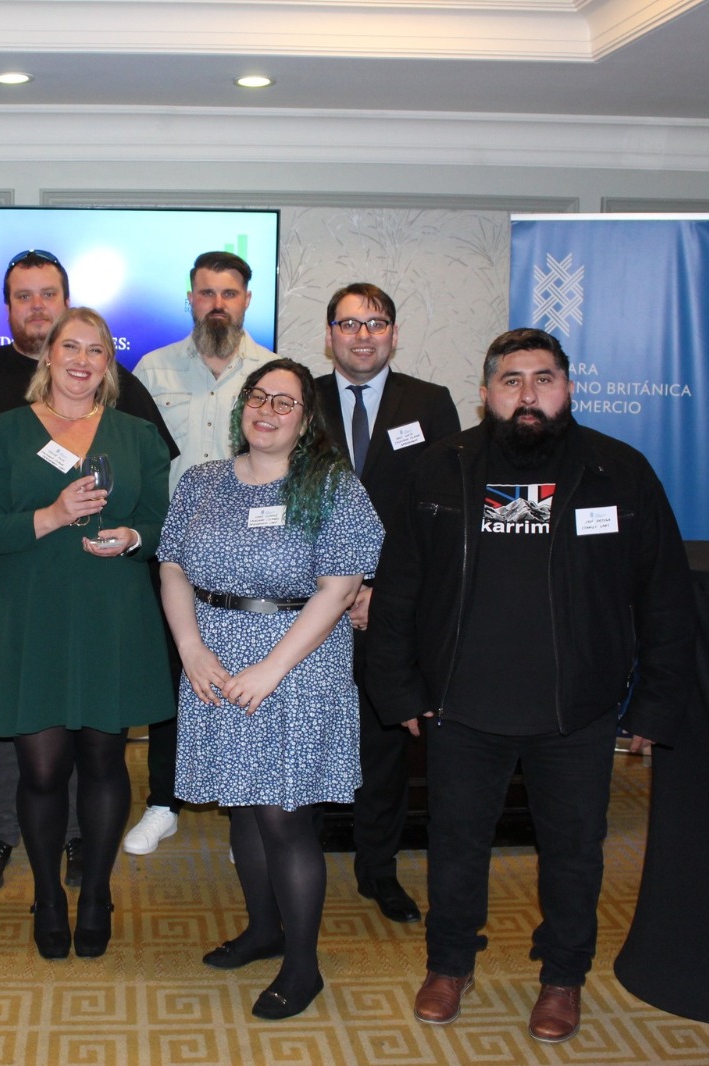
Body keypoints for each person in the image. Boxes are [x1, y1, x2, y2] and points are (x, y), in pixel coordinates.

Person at [365, 328, 694, 1043]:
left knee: (575, 851)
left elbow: (665, 596)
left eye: (544, 379)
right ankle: (449, 964)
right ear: (486, 392)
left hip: (575, 707)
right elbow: (399, 590)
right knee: (456, 846)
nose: (528, 395)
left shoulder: (619, 471)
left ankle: (563, 976)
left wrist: (656, 702)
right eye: (511, 380)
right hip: (461, 703)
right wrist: (400, 689)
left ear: (567, 389)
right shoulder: (440, 469)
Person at [158, 358, 382, 1020]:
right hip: (214, 661)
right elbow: (172, 566)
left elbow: (340, 588)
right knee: (243, 805)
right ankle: (263, 930)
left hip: (298, 665)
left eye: (285, 402)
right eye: (259, 397)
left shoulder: (333, 486)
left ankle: (303, 966)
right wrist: (191, 650)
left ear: (306, 419)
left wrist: (271, 668)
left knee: (283, 815)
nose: (268, 411)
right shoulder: (202, 481)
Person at [0, 249, 178, 893]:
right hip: (35, 615)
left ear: (108, 363)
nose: (82, 360)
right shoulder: (4, 432)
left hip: (113, 615)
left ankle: (96, 891)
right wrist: (52, 515)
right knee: (40, 768)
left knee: (105, 761)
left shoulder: (136, 435)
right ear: (48, 357)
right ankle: (47, 898)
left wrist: (133, 536)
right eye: (70, 347)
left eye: (96, 350)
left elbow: (163, 526)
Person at [313, 283, 459, 924]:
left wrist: (383, 591)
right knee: (307, 735)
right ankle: (296, 865)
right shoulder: (301, 397)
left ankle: (378, 869)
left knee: (384, 747)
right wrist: (330, 588)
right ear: (330, 336)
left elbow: (441, 510)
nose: (363, 335)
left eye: (375, 323)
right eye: (349, 324)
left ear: (394, 334)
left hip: (388, 604)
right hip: (308, 603)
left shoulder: (429, 403)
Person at [128, 250, 274, 856]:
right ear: (190, 300)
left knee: (246, 681)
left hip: (249, 561)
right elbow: (135, 462)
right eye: (206, 292)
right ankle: (163, 803)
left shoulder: (273, 374)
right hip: (169, 557)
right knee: (170, 680)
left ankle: (247, 811)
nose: (218, 304)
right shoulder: (150, 370)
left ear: (246, 301)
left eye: (229, 293)